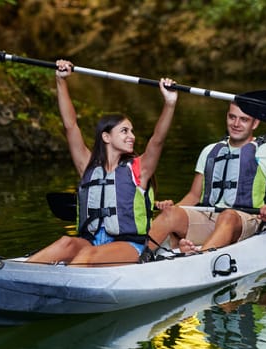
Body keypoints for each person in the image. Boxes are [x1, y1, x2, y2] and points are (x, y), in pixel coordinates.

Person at [27, 59, 178, 266]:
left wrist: (169, 103)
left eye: (132, 131)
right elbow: (70, 126)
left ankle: (63, 287)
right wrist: (61, 81)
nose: (132, 136)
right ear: (106, 137)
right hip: (91, 243)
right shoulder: (88, 166)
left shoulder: (139, 169)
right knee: (65, 243)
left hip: (128, 246)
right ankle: (13, 277)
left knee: (86, 257)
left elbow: (158, 140)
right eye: (124, 131)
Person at [148, 100, 266, 254]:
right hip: (209, 216)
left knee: (228, 216)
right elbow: (193, 196)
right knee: (170, 214)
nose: (236, 124)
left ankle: (199, 261)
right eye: (232, 117)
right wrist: (173, 209)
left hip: (246, 219)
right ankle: (133, 256)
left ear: (255, 123)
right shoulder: (209, 151)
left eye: (244, 119)